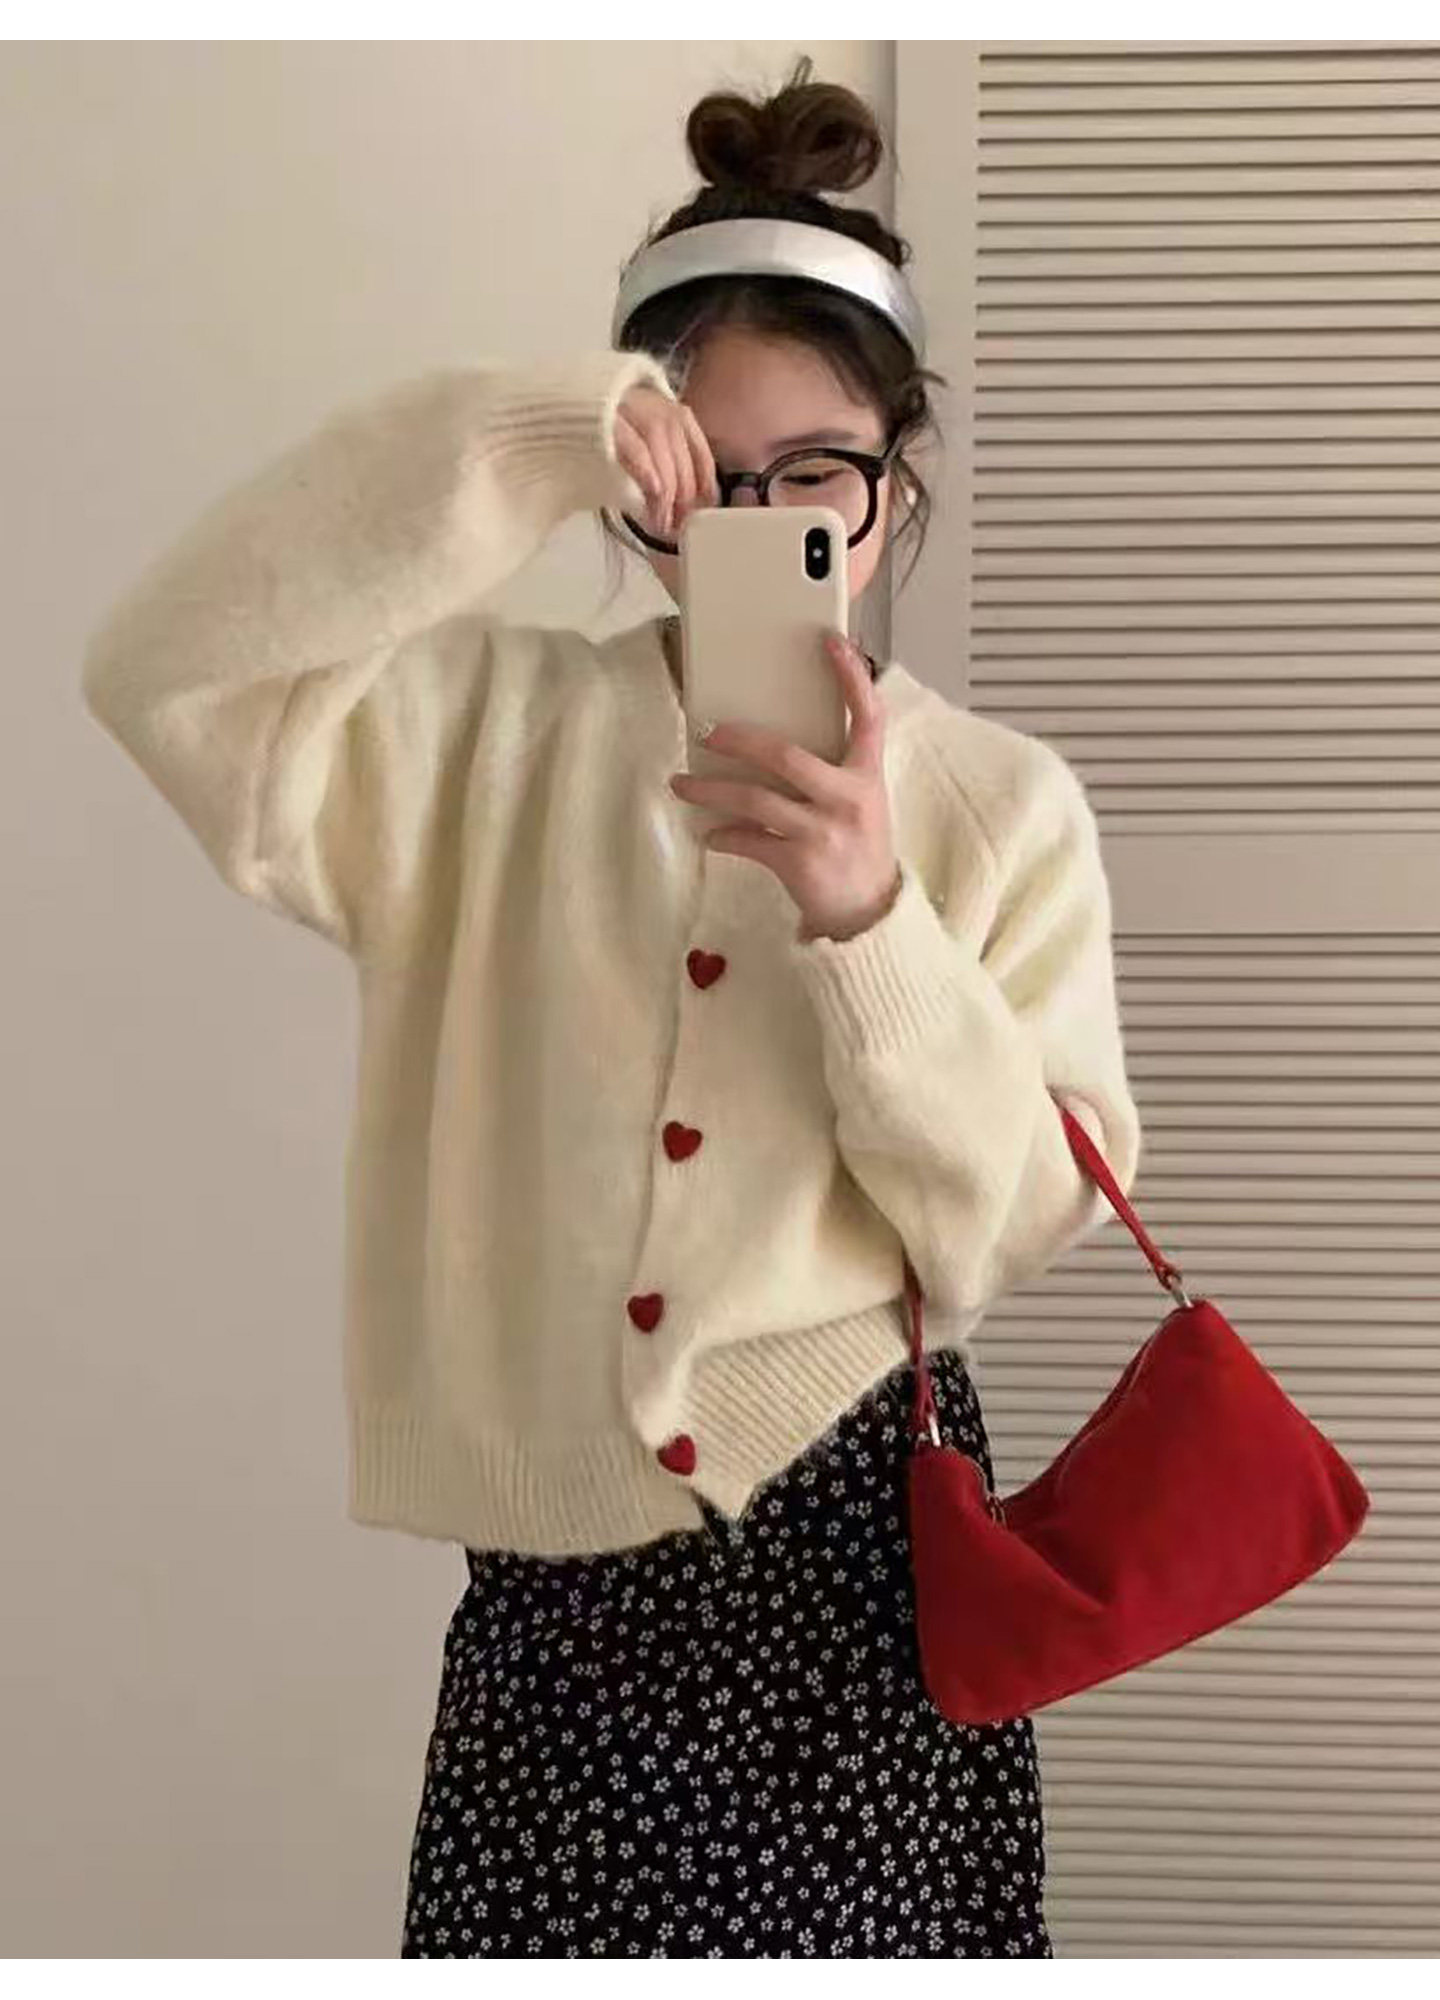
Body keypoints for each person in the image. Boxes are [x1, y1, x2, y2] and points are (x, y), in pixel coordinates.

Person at [81, 56, 1141, 1960]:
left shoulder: (1000, 807)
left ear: (896, 484)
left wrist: (870, 920)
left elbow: (1014, 1223)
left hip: (853, 1578)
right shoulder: (474, 741)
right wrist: (520, 442)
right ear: (634, 490)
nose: (763, 522)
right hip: (553, 1603)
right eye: (703, 481)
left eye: (815, 476)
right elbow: (167, 674)